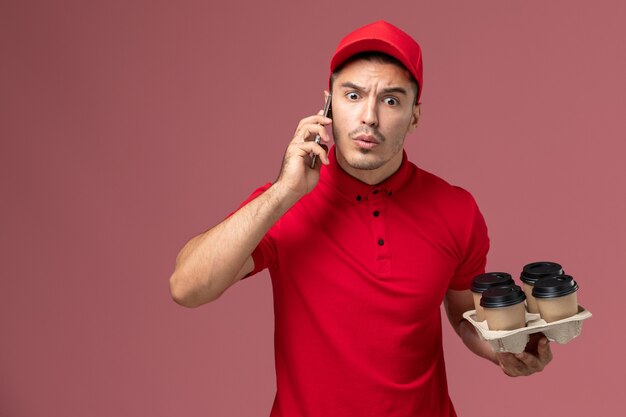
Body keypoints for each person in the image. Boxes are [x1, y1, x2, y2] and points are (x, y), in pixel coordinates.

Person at [169, 20, 552, 417]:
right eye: (353, 95)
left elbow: (463, 313)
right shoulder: (284, 203)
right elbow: (186, 287)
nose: (368, 116)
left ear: (415, 116)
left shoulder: (456, 210)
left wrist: (503, 352)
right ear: (328, 105)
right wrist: (283, 192)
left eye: (390, 100)